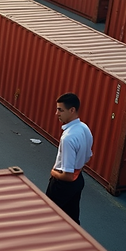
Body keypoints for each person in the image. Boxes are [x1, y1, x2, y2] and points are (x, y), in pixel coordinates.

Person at [46, 93, 93, 224]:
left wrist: (53, 172)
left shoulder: (68, 138)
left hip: (62, 186)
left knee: (49, 218)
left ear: (72, 110)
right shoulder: (84, 128)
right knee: (72, 220)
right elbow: (88, 156)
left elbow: (68, 176)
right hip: (78, 181)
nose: (56, 113)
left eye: (60, 110)